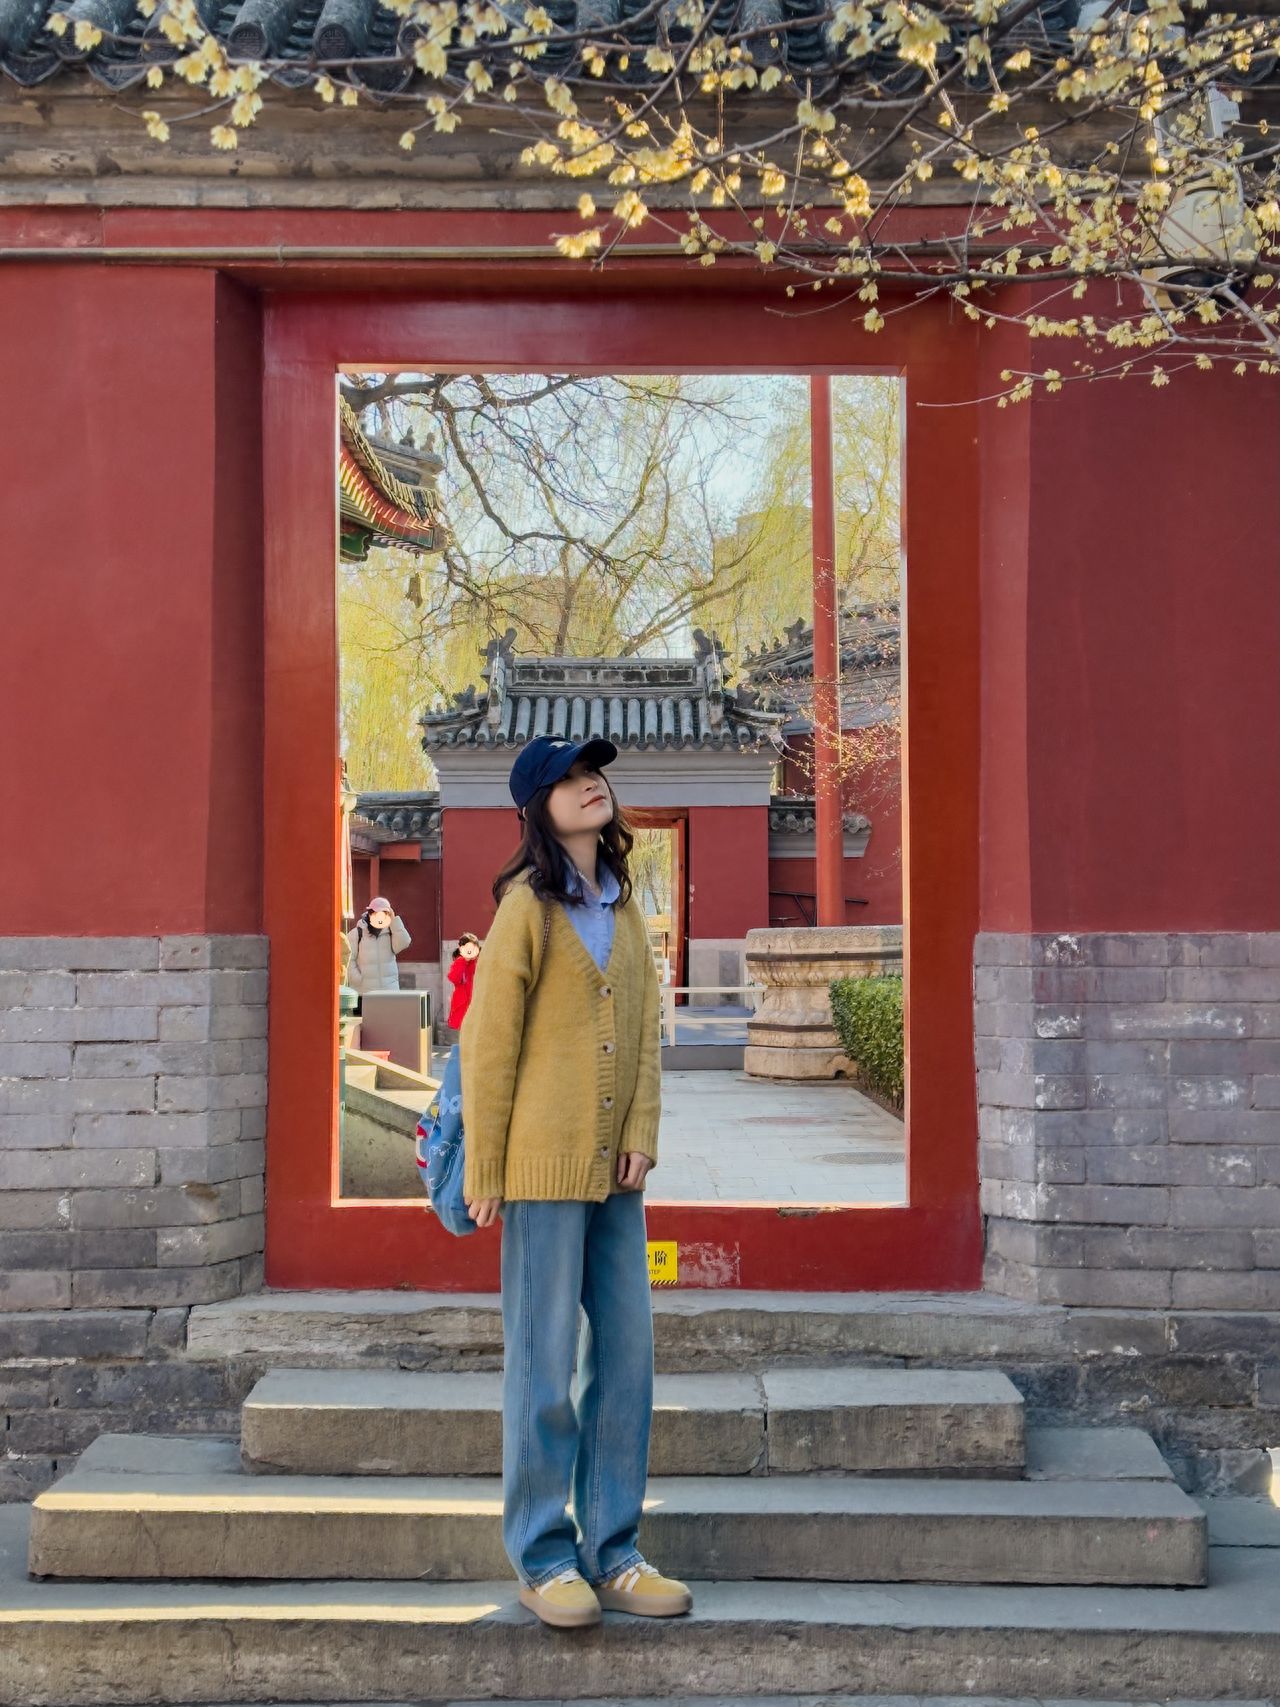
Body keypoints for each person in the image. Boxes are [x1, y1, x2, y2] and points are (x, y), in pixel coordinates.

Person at [459, 734, 690, 1631]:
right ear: (538, 806)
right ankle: (544, 1555)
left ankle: (615, 1551)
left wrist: (641, 1132)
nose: (591, 783)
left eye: (595, 772)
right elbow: (488, 1045)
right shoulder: (526, 906)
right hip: (538, 1171)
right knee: (543, 1365)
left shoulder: (625, 908)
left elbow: (644, 1031)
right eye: (568, 777)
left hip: (616, 1177)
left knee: (626, 1357)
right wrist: (486, 1167)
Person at [345, 898, 411, 994]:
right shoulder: (357, 933)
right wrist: (356, 978)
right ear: (370, 914)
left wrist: (395, 921)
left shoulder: (391, 931)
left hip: (389, 991)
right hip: (365, 992)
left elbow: (405, 942)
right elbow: (347, 958)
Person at [446, 932, 482, 1031]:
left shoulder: (479, 961)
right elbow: (454, 978)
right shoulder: (460, 962)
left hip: (475, 1001)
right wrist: (464, 961)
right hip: (463, 1002)